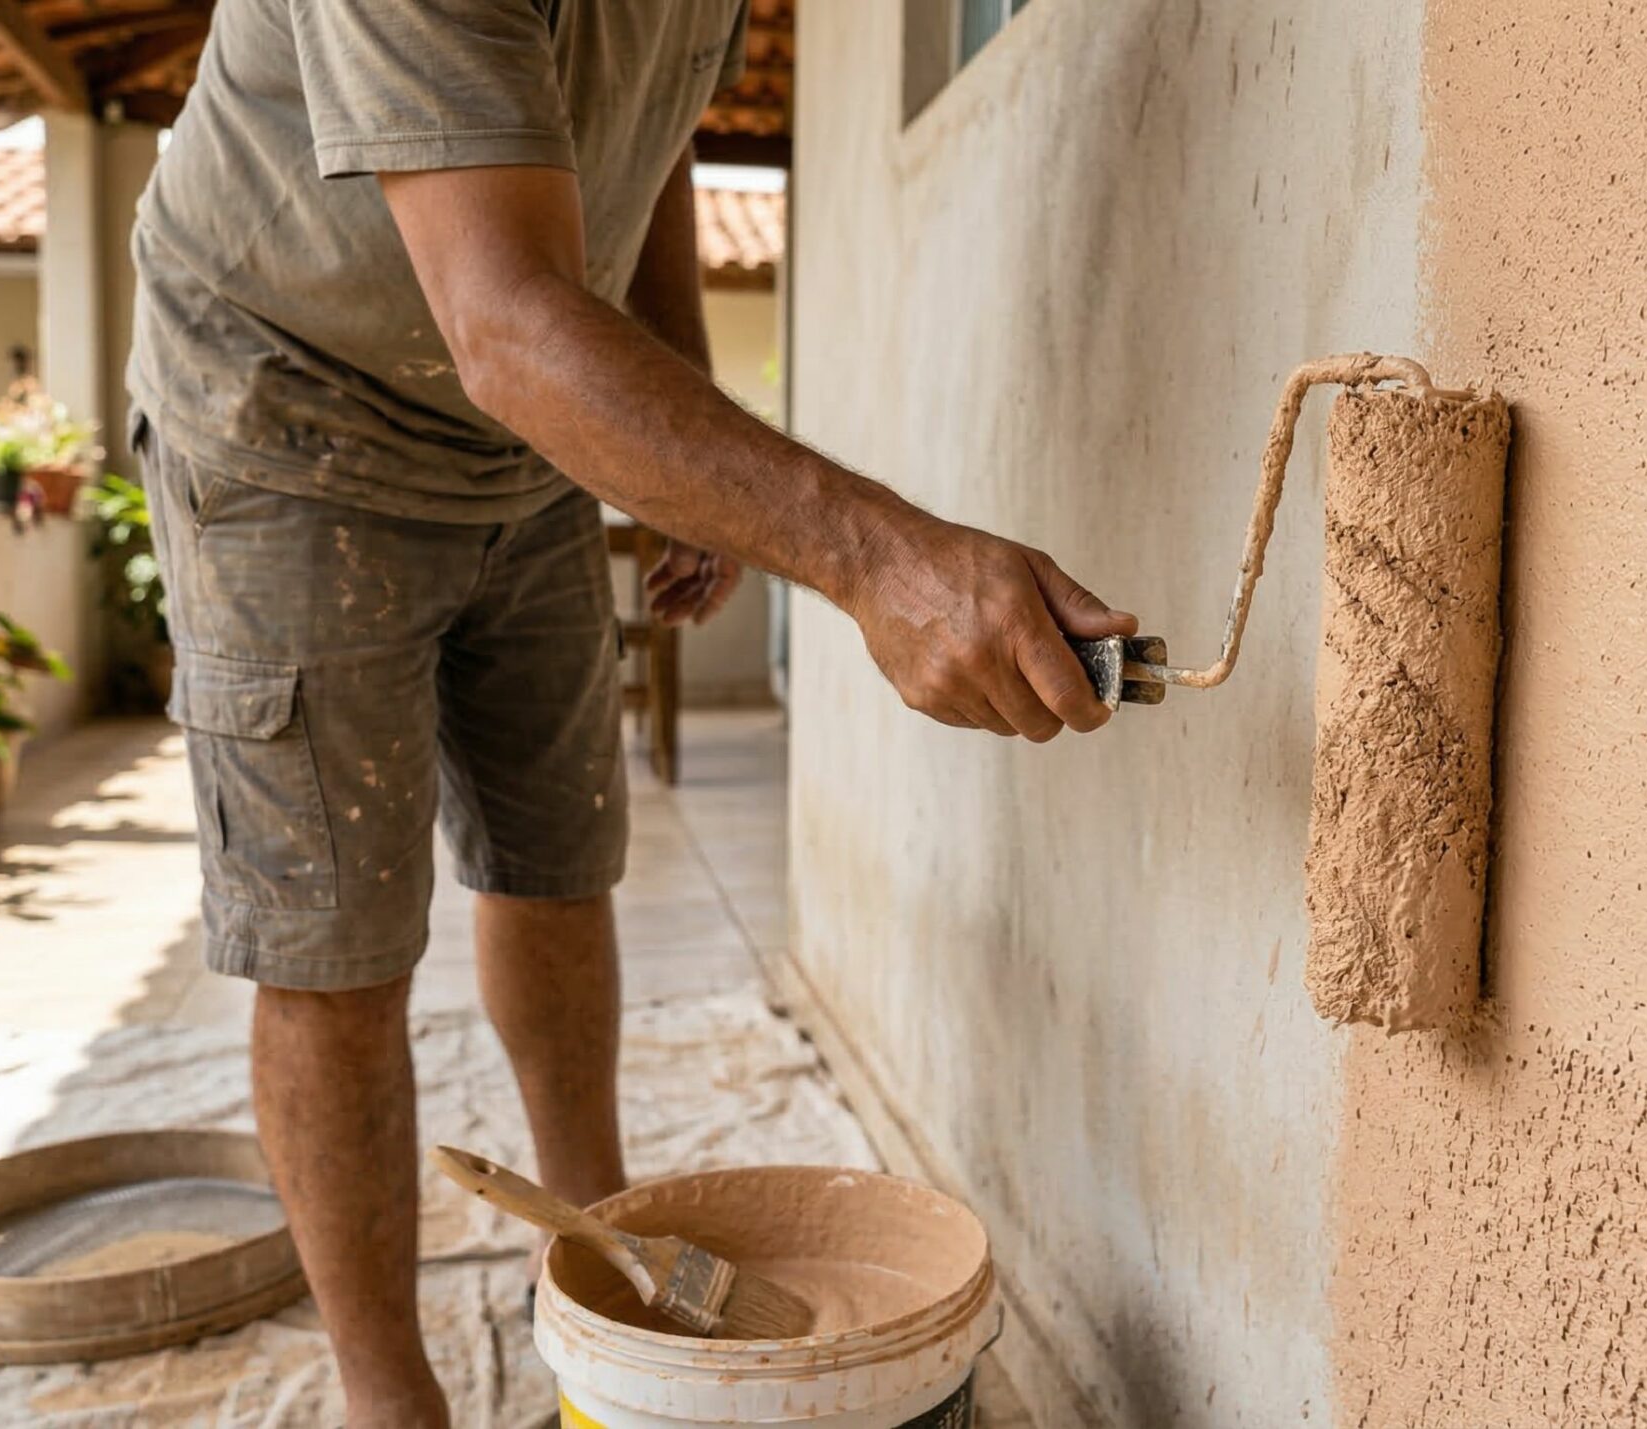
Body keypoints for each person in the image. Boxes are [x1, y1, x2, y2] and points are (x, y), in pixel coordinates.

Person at [125, 1, 1132, 1422]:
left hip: (519, 430)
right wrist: (877, 558)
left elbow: (648, 142)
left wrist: (681, 419)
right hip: (287, 410)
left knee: (559, 861)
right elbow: (504, 322)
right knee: (334, 942)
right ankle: (389, 1397)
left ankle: (603, 1265)